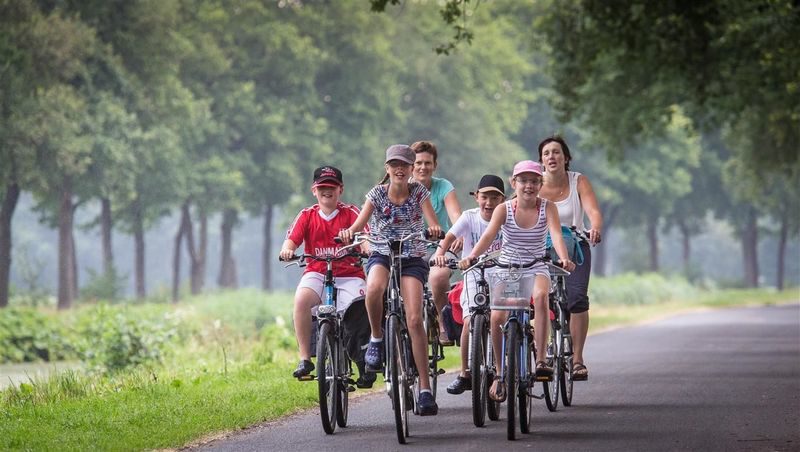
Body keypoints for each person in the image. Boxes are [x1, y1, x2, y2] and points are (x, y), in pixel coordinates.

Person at [338, 144, 443, 415]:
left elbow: (432, 221)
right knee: (373, 288)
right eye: (394, 164)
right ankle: (376, 338)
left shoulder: (419, 192)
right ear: (387, 168)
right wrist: (350, 233)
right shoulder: (376, 194)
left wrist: (434, 229)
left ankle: (424, 389)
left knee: (413, 318)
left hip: (411, 256)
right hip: (382, 253)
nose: (399, 169)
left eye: (405, 165)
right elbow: (359, 224)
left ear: (410, 170)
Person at [459, 160, 575, 401]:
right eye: (523, 181)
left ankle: (541, 360)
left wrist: (564, 258)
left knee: (542, 296)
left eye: (534, 181)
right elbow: (489, 235)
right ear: (515, 183)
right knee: (497, 317)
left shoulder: (547, 208)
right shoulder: (504, 209)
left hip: (536, 265)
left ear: (540, 184)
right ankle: (500, 374)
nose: (529, 186)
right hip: (510, 267)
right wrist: (471, 257)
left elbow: (555, 234)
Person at [279, 166, 369, 383]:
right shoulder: (307, 215)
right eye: (322, 187)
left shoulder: (351, 213)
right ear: (314, 190)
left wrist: (366, 247)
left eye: (332, 187)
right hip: (317, 271)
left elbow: (365, 235)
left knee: (359, 307)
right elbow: (291, 240)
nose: (326, 191)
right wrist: (287, 250)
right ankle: (305, 359)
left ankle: (361, 361)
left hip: (349, 273)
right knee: (301, 300)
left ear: (341, 189)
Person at [432, 175, 506, 395]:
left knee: (502, 319)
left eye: (494, 197)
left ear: (502, 199)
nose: (489, 203)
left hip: (502, 273)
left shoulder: (507, 217)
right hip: (474, 273)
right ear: (476, 197)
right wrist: (439, 254)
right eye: (485, 197)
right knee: (470, 320)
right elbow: (449, 238)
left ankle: (505, 365)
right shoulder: (469, 217)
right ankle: (465, 372)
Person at [537, 135, 603, 381]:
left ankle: (577, 360)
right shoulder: (533, 183)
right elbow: (514, 206)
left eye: (556, 152)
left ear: (566, 158)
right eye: (546, 153)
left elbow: (592, 210)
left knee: (576, 299)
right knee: (538, 299)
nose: (551, 157)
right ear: (541, 160)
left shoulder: (578, 181)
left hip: (575, 245)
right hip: (542, 248)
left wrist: (594, 226)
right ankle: (541, 352)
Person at [410, 140, 462, 346]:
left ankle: (443, 324)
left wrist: (459, 231)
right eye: (418, 163)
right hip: (410, 248)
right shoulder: (403, 187)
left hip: (442, 246)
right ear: (410, 166)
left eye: (427, 163)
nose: (423, 167)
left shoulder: (443, 186)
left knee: (439, 276)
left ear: (435, 165)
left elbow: (455, 214)